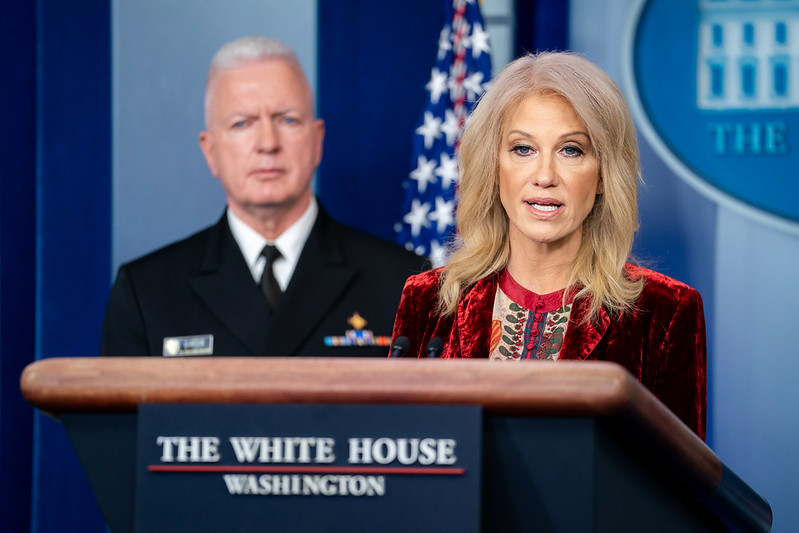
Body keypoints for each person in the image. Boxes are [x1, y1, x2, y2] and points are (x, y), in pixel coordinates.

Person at [390, 51, 707, 439]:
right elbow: (400, 452)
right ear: (494, 166)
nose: (544, 176)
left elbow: (678, 473)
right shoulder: (428, 301)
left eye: (571, 150)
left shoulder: (666, 311)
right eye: (523, 149)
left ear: (604, 174)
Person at [100, 36, 426, 358]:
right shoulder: (146, 292)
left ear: (317, 141)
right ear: (210, 151)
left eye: (287, 120)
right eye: (242, 123)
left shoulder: (403, 283)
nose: (268, 143)